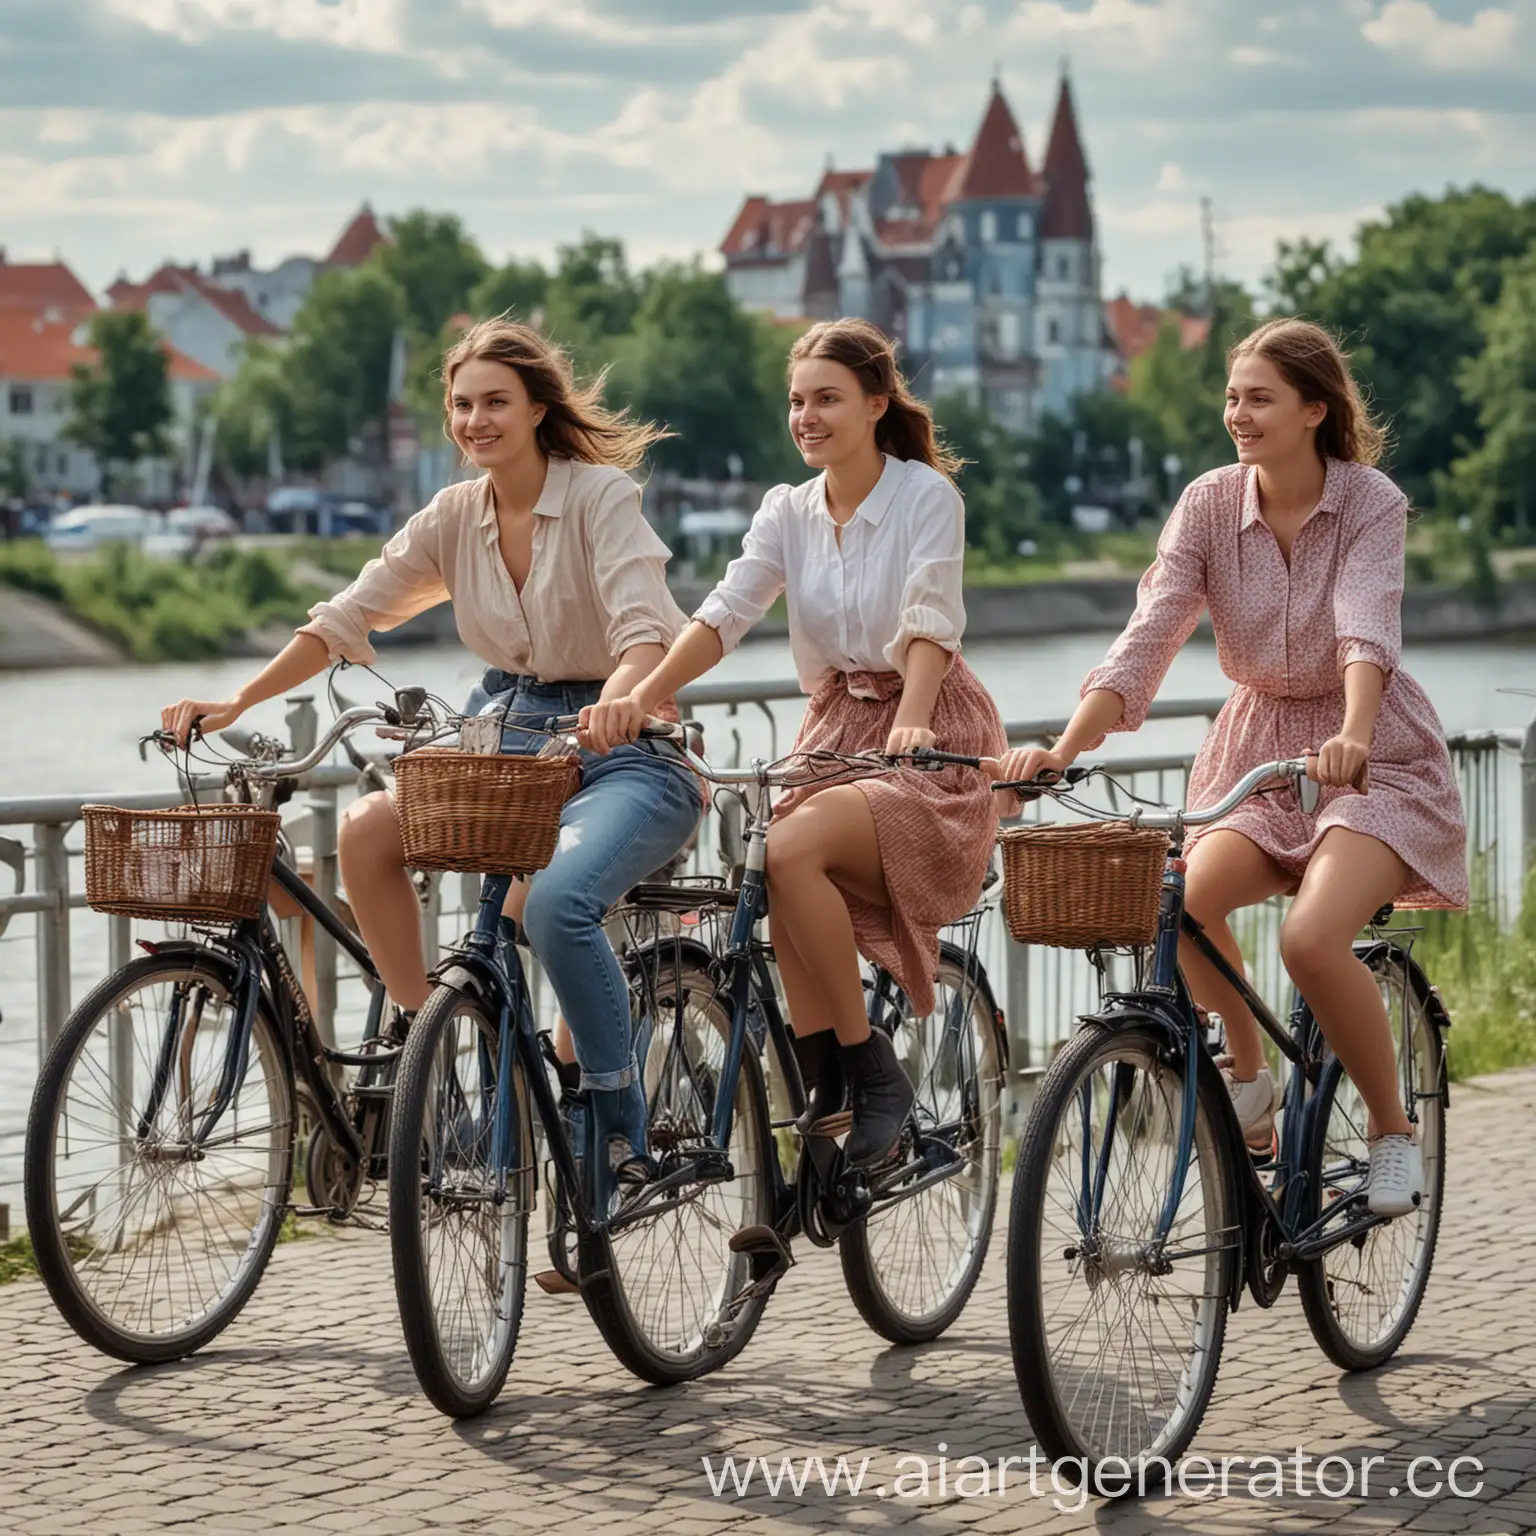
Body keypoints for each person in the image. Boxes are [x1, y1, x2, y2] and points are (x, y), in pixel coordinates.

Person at [162, 317, 703, 1195]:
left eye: (496, 401)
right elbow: (346, 616)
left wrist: (624, 698)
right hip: (506, 737)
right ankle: (429, 1052)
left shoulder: (601, 498)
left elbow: (647, 629)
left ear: (536, 409)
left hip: (626, 744)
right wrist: (238, 703)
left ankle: (615, 1132)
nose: (476, 419)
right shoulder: (454, 516)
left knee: (557, 902)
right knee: (369, 832)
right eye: (461, 404)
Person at [987, 318, 1467, 1218]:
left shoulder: (1369, 501)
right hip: (1256, 751)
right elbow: (1149, 636)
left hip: (1374, 761)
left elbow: (1368, 623)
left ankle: (1394, 1133)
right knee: (1190, 900)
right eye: (1232, 397)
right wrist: (1062, 747)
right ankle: (1250, 1076)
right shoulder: (1209, 503)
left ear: (1313, 410)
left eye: (1259, 398)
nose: (1237, 414)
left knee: (1311, 939)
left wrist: (1355, 733)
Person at [585, 318, 1006, 1169]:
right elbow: (724, 614)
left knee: (790, 846)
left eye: (827, 399)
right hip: (833, 725)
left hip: (927, 730)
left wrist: (913, 718)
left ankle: (868, 1070)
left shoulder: (925, 495)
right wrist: (636, 695)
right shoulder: (789, 509)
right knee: (771, 870)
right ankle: (822, 1092)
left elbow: (929, 621)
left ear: (877, 405)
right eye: (796, 401)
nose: (806, 416)